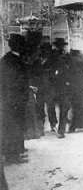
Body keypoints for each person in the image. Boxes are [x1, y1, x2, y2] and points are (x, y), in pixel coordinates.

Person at [0, 34, 29, 164]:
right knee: (15, 127)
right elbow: (15, 82)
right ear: (19, 46)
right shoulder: (15, 61)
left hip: (9, 100)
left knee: (11, 127)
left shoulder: (6, 59)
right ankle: (13, 156)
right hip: (15, 100)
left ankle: (14, 153)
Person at [51, 38, 72, 139]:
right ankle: (54, 124)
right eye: (60, 46)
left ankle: (60, 129)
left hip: (63, 87)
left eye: (62, 46)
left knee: (64, 108)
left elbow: (71, 70)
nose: (61, 47)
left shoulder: (67, 57)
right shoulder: (53, 56)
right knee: (53, 106)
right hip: (55, 86)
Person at [67, 50, 83, 133]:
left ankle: (73, 126)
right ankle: (81, 123)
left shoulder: (72, 63)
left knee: (75, 107)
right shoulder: (81, 63)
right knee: (79, 106)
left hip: (74, 88)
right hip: (80, 88)